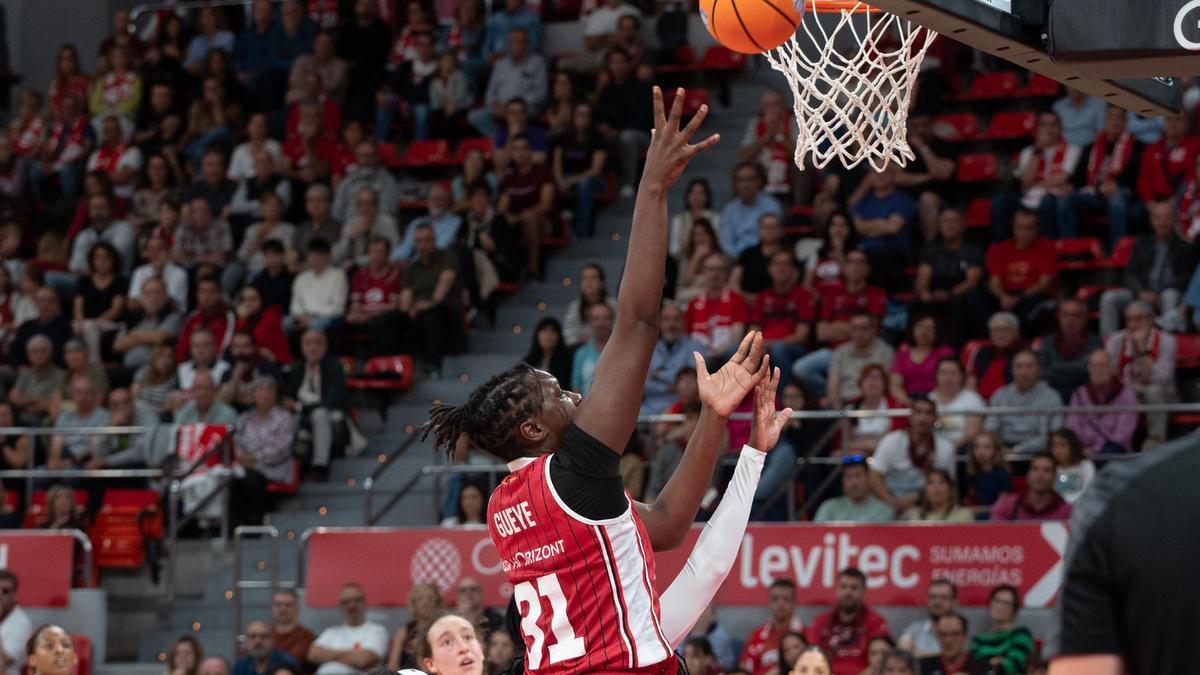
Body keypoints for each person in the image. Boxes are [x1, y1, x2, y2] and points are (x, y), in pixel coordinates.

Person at [420, 88, 776, 675]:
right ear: (533, 427)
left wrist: (713, 418)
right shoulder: (576, 475)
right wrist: (654, 188)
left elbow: (662, 528)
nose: (577, 395)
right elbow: (636, 324)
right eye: (558, 394)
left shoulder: (503, 505)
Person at [791, 250, 888, 396]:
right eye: (851, 262)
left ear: (868, 268)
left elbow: (871, 330)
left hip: (867, 349)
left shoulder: (876, 293)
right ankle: (832, 396)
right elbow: (822, 332)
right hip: (834, 351)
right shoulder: (833, 293)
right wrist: (855, 328)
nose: (855, 266)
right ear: (844, 267)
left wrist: (836, 327)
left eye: (860, 262)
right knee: (800, 369)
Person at [1099, 201, 1189, 336]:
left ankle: (1167, 342)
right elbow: (1130, 273)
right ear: (1151, 220)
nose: (1162, 222)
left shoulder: (1184, 247)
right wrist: (1140, 291)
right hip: (1141, 292)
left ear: (1174, 220)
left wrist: (1159, 292)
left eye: (1166, 218)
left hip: (1166, 293)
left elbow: (1185, 278)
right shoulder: (1142, 243)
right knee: (1109, 297)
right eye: (1158, 218)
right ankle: (1108, 343)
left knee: (1170, 295)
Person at [992, 112, 1082, 240]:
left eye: (1053, 125)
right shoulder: (1028, 152)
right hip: (1029, 198)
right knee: (999, 203)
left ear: (1060, 128)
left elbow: (1061, 179)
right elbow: (1025, 182)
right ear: (1037, 128)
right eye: (1044, 125)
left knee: (1047, 201)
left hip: (1053, 197)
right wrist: (1038, 151)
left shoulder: (1072, 150)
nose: (1049, 129)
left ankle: (1047, 246)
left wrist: (1033, 184)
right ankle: (1000, 248)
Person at [1066, 105, 1142, 245]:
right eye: (1111, 117)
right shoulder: (1092, 146)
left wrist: (1116, 183)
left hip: (1122, 192)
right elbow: (1079, 175)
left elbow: (1134, 174)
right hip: (1095, 194)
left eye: (1119, 117)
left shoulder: (1136, 146)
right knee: (1066, 200)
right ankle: (1071, 246)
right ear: (1105, 121)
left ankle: (1117, 249)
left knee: (1116, 199)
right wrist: (1069, 185)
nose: (1115, 121)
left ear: (1126, 122)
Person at [1104, 300, 1176, 447]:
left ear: (1151, 319)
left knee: (1153, 390)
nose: (1132, 325)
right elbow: (1108, 372)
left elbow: (1162, 377)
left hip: (1160, 393)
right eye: (1128, 320)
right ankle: (1116, 441)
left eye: (1138, 319)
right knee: (1122, 392)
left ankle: (1155, 440)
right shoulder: (1116, 339)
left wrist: (1142, 349)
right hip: (1126, 388)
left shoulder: (1167, 341)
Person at [912, 208, 985, 348]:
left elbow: (971, 281)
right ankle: (911, 344)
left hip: (959, 293)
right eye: (945, 221)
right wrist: (925, 292)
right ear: (939, 226)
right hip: (935, 292)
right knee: (916, 302)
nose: (949, 225)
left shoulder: (972, 250)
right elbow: (923, 277)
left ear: (963, 225)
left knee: (961, 301)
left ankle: (955, 347)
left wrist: (949, 294)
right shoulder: (931, 249)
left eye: (954, 221)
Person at [869, 398, 955, 511]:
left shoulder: (945, 448)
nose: (923, 418)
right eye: (918, 412)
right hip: (888, 502)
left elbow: (948, 485)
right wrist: (892, 502)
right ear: (910, 417)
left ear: (935, 418)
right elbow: (874, 476)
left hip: (927, 504)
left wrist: (918, 497)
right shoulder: (892, 441)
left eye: (928, 413)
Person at [231, 377, 296, 525]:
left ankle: (255, 523)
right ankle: (234, 526)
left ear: (275, 394)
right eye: (260, 390)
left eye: (270, 390)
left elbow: (282, 449)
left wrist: (255, 458)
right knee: (231, 481)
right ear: (253, 395)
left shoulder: (284, 418)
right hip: (246, 468)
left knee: (252, 481)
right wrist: (242, 458)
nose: (265, 394)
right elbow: (237, 442)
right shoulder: (244, 419)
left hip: (274, 469)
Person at [284, 329, 349, 473]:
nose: (313, 347)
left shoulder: (335, 367)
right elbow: (287, 400)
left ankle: (320, 465)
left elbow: (332, 402)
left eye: (318, 342)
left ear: (326, 346)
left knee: (320, 413)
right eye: (308, 343)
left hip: (332, 421)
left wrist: (300, 407)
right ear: (301, 347)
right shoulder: (296, 369)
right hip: (302, 419)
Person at [401, 224, 464, 372]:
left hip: (446, 310)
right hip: (419, 311)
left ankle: (433, 366)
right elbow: (406, 297)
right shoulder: (411, 267)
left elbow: (445, 282)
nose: (423, 246)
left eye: (427, 241)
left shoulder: (448, 256)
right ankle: (392, 367)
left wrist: (430, 303)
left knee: (431, 315)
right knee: (390, 320)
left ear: (434, 241)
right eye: (419, 241)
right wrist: (407, 311)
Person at [985, 208, 1057, 334]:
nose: (1024, 233)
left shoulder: (1047, 247)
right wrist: (1003, 297)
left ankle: (1015, 340)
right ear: (1013, 228)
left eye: (1029, 228)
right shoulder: (999, 248)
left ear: (1037, 229)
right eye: (1020, 228)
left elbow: (1044, 283)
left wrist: (1019, 298)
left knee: (1038, 302)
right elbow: (994, 282)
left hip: (1031, 294)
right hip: (1005, 294)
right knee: (975, 298)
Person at [805, 568, 889, 675]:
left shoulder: (876, 621)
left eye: (854, 588)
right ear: (837, 589)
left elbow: (882, 660)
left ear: (864, 591)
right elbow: (810, 656)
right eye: (843, 586)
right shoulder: (820, 621)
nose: (848, 592)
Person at [595, 48, 653, 198]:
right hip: (613, 135)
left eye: (620, 62)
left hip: (641, 135)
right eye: (613, 63)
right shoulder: (606, 90)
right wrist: (603, 126)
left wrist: (618, 130)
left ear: (628, 64)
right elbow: (600, 115)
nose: (617, 66)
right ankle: (599, 183)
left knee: (628, 137)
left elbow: (643, 118)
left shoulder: (641, 87)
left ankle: (628, 184)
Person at [470, 30, 547, 139]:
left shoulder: (537, 63)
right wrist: (494, 105)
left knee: (518, 114)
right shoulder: (500, 64)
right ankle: (501, 140)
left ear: (527, 44)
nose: (517, 45)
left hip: (526, 108)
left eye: (521, 42)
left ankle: (515, 141)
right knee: (475, 116)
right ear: (508, 44)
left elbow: (540, 93)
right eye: (513, 41)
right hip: (500, 107)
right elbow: (490, 92)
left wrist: (513, 105)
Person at [497, 134, 554, 280]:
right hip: (517, 223)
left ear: (531, 151)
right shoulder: (509, 178)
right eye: (516, 150)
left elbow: (545, 205)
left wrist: (518, 217)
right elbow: (502, 207)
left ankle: (533, 270)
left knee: (529, 218)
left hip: (543, 220)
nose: (520, 153)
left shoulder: (543, 172)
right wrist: (508, 217)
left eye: (524, 149)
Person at [849, 165, 916, 287]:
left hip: (892, 252)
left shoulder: (902, 200)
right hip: (865, 250)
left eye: (884, 171)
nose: (880, 175)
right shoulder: (863, 201)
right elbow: (858, 228)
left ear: (893, 176)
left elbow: (893, 228)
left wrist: (867, 226)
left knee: (878, 258)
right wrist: (882, 223)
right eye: (875, 172)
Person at [986, 350, 1063, 453]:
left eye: (1029, 366)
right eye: (1019, 366)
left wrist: (1017, 450)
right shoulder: (1000, 394)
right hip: (1003, 451)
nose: (1024, 371)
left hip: (1038, 452)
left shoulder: (1052, 397)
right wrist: (999, 450)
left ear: (1039, 370)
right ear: (1012, 370)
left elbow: (1050, 436)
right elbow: (990, 429)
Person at [1064, 349, 1138, 455]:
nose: (1097, 370)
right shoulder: (1080, 393)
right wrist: (1081, 449)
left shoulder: (1127, 395)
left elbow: (1122, 436)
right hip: (1082, 452)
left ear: (1113, 369)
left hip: (1113, 452)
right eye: (1093, 366)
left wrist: (1095, 449)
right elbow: (1071, 428)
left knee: (1111, 450)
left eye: (1102, 366)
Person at [553, 102, 608, 238]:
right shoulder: (563, 138)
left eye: (586, 115)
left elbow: (595, 170)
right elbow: (556, 165)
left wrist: (572, 181)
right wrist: (560, 181)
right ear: (573, 116)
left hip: (593, 180)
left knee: (584, 185)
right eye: (579, 114)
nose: (582, 118)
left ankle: (582, 232)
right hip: (566, 177)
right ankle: (559, 229)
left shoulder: (598, 139)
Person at [308, 583, 389, 673]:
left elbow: (363, 660)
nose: (351, 605)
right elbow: (313, 654)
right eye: (346, 602)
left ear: (365, 602)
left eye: (356, 600)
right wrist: (352, 655)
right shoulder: (330, 632)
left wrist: (328, 656)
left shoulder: (377, 631)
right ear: (340, 606)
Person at [685, 253, 749, 361]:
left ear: (726, 273)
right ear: (703, 272)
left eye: (720, 269)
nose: (715, 274)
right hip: (697, 356)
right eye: (711, 269)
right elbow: (687, 338)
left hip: (724, 356)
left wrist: (713, 354)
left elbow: (736, 338)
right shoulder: (694, 303)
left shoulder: (737, 300)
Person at [1036, 299, 1103, 403]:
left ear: (1084, 319)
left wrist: (1055, 366)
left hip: (1086, 399)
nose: (1070, 320)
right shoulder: (1047, 342)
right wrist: (1078, 368)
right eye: (1065, 315)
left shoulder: (1095, 342)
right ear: (1059, 318)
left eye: (1075, 315)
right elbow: (1043, 373)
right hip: (1051, 398)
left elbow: (1089, 371)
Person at [643, 303, 704, 414]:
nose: (671, 324)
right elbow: (643, 384)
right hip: (649, 409)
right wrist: (671, 386)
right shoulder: (648, 350)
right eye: (666, 319)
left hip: (684, 409)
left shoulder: (695, 347)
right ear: (659, 323)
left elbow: (691, 382)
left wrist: (658, 375)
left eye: (676, 319)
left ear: (683, 323)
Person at [826, 312, 895, 409]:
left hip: (874, 405)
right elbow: (832, 386)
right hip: (845, 404)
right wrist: (838, 409)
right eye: (855, 328)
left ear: (873, 330)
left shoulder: (886, 352)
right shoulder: (840, 352)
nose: (859, 333)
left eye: (864, 328)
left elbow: (889, 384)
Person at [739, 579, 805, 675]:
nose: (780, 604)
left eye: (786, 599)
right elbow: (743, 668)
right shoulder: (756, 636)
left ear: (794, 602)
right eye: (775, 599)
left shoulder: (805, 634)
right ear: (769, 602)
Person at [47, 376, 112, 470]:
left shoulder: (104, 416)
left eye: (87, 393)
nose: (83, 397)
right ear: (72, 395)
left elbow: (94, 449)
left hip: (87, 462)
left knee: (70, 473)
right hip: (65, 458)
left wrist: (71, 462)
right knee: (39, 473)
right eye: (79, 392)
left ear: (94, 395)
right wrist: (53, 461)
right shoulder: (64, 416)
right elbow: (56, 445)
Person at [720, 162, 783, 256]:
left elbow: (772, 237)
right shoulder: (730, 209)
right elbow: (726, 243)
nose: (746, 184)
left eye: (750, 179)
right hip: (736, 258)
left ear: (759, 181)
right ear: (736, 184)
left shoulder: (771, 205)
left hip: (764, 256)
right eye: (741, 180)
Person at [970, 585, 1034, 675]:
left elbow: (1014, 665)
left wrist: (991, 665)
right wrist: (996, 662)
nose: (999, 606)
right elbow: (973, 667)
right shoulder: (978, 640)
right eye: (996, 601)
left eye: (1006, 603)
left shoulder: (1021, 635)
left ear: (1014, 609)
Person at [331, 141, 399, 224]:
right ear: (357, 157)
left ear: (376, 157)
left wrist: (365, 223)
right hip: (350, 230)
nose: (366, 160)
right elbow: (337, 212)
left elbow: (389, 211)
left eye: (370, 156)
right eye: (362, 156)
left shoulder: (388, 181)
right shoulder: (347, 182)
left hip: (378, 230)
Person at [990, 453, 1072, 521]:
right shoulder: (1006, 505)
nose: (1040, 475)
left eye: (1046, 470)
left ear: (1054, 477)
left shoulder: (1067, 512)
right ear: (1027, 475)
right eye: (1035, 469)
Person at [890, 316, 954, 402]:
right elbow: (895, 385)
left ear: (936, 332)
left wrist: (932, 403)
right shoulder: (903, 353)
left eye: (929, 328)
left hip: (940, 400)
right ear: (912, 329)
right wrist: (908, 403)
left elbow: (952, 380)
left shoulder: (945, 352)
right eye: (920, 326)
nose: (924, 331)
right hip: (908, 402)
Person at [812, 456, 893, 524]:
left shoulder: (883, 509)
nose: (854, 482)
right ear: (842, 480)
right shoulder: (829, 507)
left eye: (858, 475)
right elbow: (816, 535)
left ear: (868, 478)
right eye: (848, 477)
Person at [928, 358, 984, 451]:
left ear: (962, 376)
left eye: (953, 373)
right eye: (943, 373)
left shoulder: (972, 399)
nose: (948, 378)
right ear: (936, 375)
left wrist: (947, 452)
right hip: (932, 450)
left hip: (962, 449)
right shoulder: (929, 398)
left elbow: (971, 434)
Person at [732, 214, 791, 300]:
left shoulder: (787, 255)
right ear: (759, 230)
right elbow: (734, 281)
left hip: (778, 302)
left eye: (773, 227)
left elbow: (793, 282)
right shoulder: (747, 253)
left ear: (781, 231)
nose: (770, 231)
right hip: (746, 301)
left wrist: (762, 300)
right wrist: (743, 297)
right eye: (766, 227)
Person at [387, 583, 444, 669]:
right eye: (420, 598)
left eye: (430, 598)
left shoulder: (444, 630)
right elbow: (393, 666)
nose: (425, 603)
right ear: (413, 604)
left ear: (437, 603)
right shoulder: (403, 632)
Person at [897, 580, 957, 658]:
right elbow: (902, 655)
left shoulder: (962, 631)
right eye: (933, 597)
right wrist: (943, 655)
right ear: (927, 600)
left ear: (955, 602)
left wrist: (919, 654)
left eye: (944, 597)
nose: (937, 602)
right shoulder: (914, 629)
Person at [562, 263, 616, 348]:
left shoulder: (613, 305)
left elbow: (620, 331)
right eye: (584, 279)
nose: (588, 282)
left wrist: (594, 338)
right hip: (581, 351)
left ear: (602, 283)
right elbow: (568, 336)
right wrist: (579, 340)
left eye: (593, 278)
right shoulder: (575, 307)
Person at [917, 613, 989, 675]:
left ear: (965, 637)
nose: (948, 641)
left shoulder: (981, 666)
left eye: (955, 634)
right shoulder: (925, 666)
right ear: (937, 637)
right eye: (943, 634)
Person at [963, 432, 1012, 518]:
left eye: (987, 447)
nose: (981, 451)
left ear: (995, 450)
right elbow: (969, 501)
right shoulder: (971, 474)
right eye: (977, 447)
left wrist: (980, 510)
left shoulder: (1002, 474)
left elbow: (1003, 505)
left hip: (997, 516)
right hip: (975, 515)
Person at [670, 179, 720, 261]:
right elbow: (674, 250)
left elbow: (718, 245)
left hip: (710, 261)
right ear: (688, 196)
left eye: (701, 193)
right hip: (684, 262)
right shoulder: (678, 220)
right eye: (693, 192)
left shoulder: (715, 218)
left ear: (707, 196)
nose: (696, 196)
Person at [570, 302, 614, 396]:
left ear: (612, 321)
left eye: (605, 318)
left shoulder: (623, 352)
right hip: (588, 408)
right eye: (596, 319)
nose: (601, 323)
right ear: (590, 322)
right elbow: (576, 388)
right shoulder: (581, 354)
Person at [902, 469, 973, 523]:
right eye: (930, 483)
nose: (935, 488)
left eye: (941, 482)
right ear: (925, 490)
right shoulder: (916, 516)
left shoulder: (964, 514)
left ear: (951, 489)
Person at [1048, 428, 1096, 505]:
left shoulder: (1085, 465)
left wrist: (1067, 503)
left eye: (1062, 445)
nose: (1058, 450)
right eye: (1054, 445)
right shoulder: (1048, 466)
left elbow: (1088, 491)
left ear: (1072, 446)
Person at [233, 620, 299, 675]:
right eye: (252, 636)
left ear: (272, 640)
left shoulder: (286, 662)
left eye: (263, 636)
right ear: (246, 641)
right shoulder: (240, 666)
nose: (258, 642)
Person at [523, 317, 572, 388]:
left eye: (553, 331)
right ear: (537, 335)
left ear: (559, 336)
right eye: (544, 330)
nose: (548, 335)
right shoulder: (527, 363)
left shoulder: (568, 361)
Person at [272, 590, 316, 669]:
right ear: (272, 608)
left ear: (297, 608)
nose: (283, 608)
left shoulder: (307, 637)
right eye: (278, 605)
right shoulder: (262, 635)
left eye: (289, 605)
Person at [0, 570, 32, 674]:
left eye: (5, 591)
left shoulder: (22, 623)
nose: (0, 595)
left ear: (14, 595)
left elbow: (4, 661)